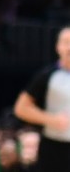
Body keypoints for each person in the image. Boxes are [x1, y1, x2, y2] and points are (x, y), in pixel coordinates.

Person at [13, 25, 70, 169]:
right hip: (54, 147)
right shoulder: (47, 75)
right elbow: (21, 108)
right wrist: (51, 119)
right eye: (66, 42)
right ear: (58, 47)